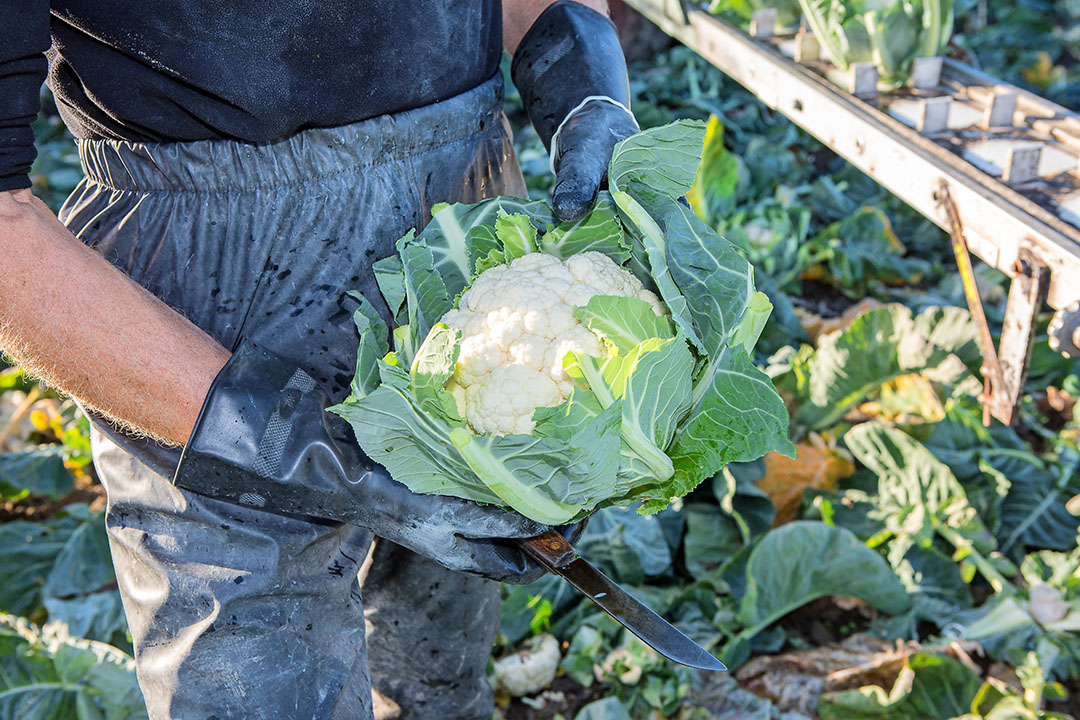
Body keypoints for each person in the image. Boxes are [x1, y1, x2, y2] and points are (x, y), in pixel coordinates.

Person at [0, 1, 640, 718]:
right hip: (206, 309)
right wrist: (285, 444)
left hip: (463, 221)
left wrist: (580, 69)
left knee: (438, 657)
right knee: (256, 681)